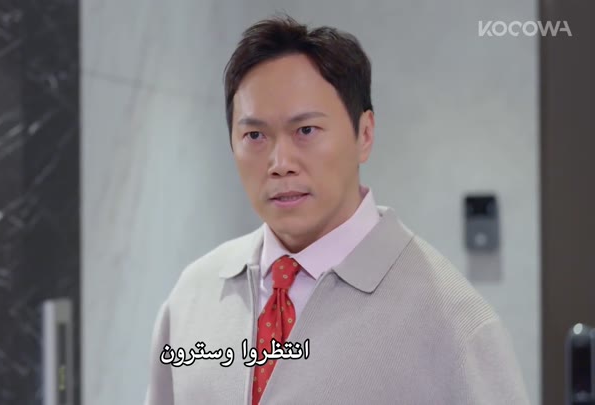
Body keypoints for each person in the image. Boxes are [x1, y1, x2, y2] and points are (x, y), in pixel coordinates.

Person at [145, 14, 530, 405]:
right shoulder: (193, 295)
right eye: (255, 135)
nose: (280, 163)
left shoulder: (454, 323)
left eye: (306, 131)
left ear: (365, 134)